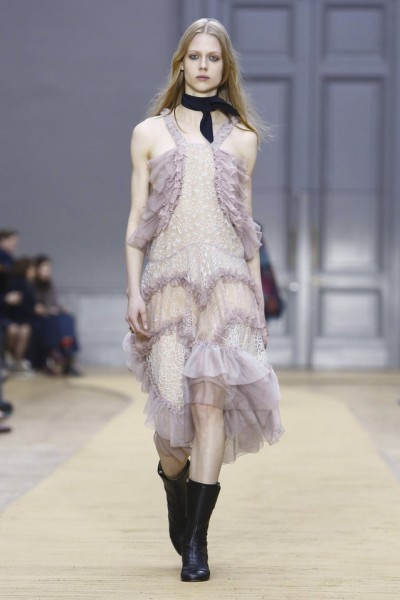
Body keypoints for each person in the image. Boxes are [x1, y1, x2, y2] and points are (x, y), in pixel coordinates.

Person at [124, 18, 284, 582]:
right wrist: (133, 289)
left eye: (213, 58)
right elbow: (137, 219)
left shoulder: (244, 138)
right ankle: (175, 488)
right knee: (173, 432)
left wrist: (256, 299)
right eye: (195, 56)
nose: (203, 66)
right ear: (181, 64)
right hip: (167, 286)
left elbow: (245, 226)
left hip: (227, 288)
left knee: (210, 407)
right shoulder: (150, 132)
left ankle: (197, 542)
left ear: (224, 67)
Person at [31, 255, 81, 376]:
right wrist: (46, 309)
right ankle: (56, 354)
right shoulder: (32, 284)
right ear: (37, 269)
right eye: (45, 267)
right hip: (39, 318)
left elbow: (54, 303)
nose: (48, 270)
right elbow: (33, 305)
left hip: (52, 314)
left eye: (49, 267)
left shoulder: (49, 284)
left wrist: (61, 308)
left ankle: (68, 353)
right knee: (52, 323)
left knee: (68, 318)